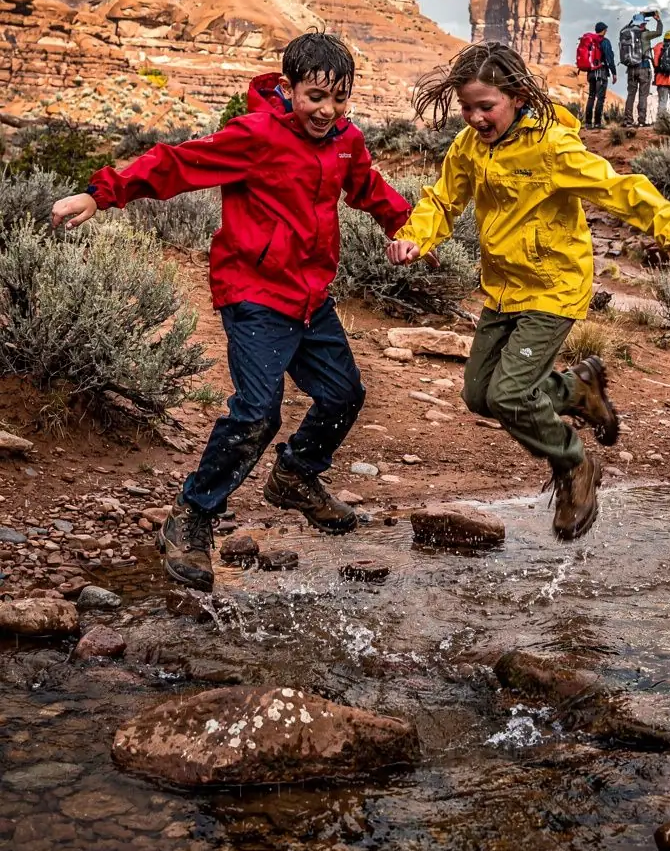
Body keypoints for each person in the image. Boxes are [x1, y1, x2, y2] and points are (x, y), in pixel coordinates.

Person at [50, 32, 412, 591]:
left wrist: (410, 228)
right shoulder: (255, 135)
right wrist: (101, 194)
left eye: (339, 99)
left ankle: (296, 475)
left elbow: (370, 189)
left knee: (344, 395)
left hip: (311, 296)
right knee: (257, 414)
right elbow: (176, 164)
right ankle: (191, 517)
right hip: (255, 293)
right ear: (288, 88)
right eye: (316, 96)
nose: (328, 110)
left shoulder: (348, 141)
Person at [385, 43, 670, 542]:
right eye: (466, 107)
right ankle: (576, 389)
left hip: (553, 287)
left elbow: (617, 187)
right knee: (478, 395)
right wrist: (415, 236)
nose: (473, 118)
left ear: (515, 96)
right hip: (502, 288)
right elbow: (442, 200)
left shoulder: (552, 146)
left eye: (484, 106)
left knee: (510, 395)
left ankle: (575, 464)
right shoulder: (470, 148)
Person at [621, 8, 663, 129]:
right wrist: (658, 21)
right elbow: (659, 32)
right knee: (643, 95)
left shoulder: (626, 33)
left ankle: (628, 120)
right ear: (643, 23)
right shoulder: (645, 34)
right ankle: (641, 120)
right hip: (644, 67)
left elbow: (625, 28)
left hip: (631, 68)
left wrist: (635, 18)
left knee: (631, 95)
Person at [584, 22, 617, 130]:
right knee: (600, 98)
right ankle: (597, 123)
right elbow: (609, 58)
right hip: (601, 72)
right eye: (605, 30)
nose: (606, 31)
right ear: (603, 30)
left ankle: (588, 123)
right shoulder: (604, 42)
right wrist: (614, 73)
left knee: (591, 96)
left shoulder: (590, 41)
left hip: (590, 73)